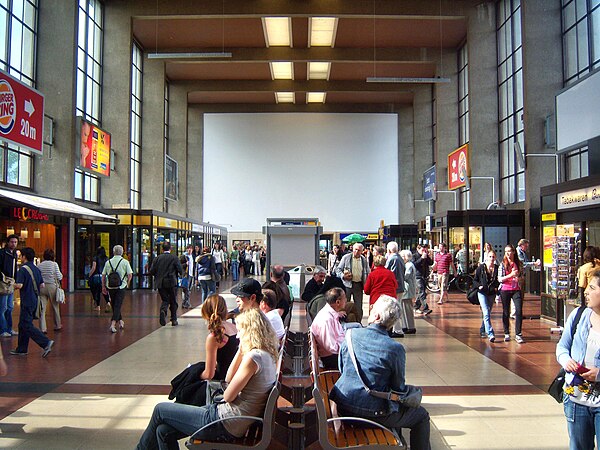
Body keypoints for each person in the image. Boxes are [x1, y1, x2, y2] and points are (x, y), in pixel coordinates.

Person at [136, 307, 279, 449]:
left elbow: (228, 396)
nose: (237, 336)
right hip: (231, 419)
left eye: (240, 330)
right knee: (163, 431)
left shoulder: (254, 358)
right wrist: (241, 350)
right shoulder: (266, 354)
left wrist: (243, 353)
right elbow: (228, 379)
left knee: (160, 409)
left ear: (250, 331)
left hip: (225, 423)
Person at [329, 295, 431, 449]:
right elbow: (398, 388)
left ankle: (397, 441)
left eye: (372, 309)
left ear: (376, 316)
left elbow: (342, 369)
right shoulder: (395, 348)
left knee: (394, 404)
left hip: (344, 405)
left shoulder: (350, 335)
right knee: (421, 416)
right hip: (370, 413)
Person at [556, 269, 600, 450]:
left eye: (591, 287)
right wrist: (566, 360)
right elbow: (562, 347)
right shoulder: (578, 315)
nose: (586, 292)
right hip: (576, 401)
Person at [10, 248, 54, 357]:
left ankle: (45, 342)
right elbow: (42, 285)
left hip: (27, 300)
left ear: (24, 256)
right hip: (35, 299)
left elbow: (19, 285)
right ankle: (21, 349)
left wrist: (11, 285)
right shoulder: (36, 269)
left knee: (26, 324)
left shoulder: (23, 270)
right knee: (22, 324)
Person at [310, 287, 356, 370]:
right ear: (338, 302)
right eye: (344, 298)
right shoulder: (327, 319)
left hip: (335, 353)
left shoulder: (330, 313)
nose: (346, 300)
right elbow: (331, 348)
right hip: (332, 358)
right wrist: (349, 347)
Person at [150, 242, 184, 327]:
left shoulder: (157, 258)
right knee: (173, 300)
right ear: (170, 249)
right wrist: (181, 274)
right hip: (171, 282)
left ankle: (163, 310)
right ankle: (174, 319)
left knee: (165, 299)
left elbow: (152, 271)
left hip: (160, 283)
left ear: (162, 249)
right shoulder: (174, 258)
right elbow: (180, 269)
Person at [102, 245, 133, 333]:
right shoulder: (125, 262)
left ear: (113, 252)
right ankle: (113, 324)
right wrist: (127, 283)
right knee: (117, 304)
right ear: (122, 252)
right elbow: (130, 274)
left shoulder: (108, 262)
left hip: (110, 286)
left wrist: (103, 286)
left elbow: (103, 275)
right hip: (121, 286)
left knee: (114, 303)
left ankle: (121, 321)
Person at [498, 244, 524, 343]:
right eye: (506, 251)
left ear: (513, 252)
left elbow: (522, 276)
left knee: (519, 310)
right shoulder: (502, 264)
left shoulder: (518, 263)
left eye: (509, 251)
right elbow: (500, 279)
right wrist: (511, 275)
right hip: (505, 289)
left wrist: (519, 278)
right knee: (505, 311)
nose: (508, 253)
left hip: (516, 289)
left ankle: (518, 334)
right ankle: (506, 333)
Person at [473, 250, 499, 342]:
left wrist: (496, 288)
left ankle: (482, 328)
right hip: (482, 293)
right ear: (487, 257)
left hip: (491, 293)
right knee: (486, 312)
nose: (491, 259)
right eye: (490, 257)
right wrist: (479, 286)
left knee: (487, 312)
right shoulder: (481, 268)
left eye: (493, 257)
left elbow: (498, 281)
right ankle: (491, 333)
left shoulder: (497, 268)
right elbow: (475, 280)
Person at [336, 243, 370, 309]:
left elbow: (368, 272)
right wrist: (343, 276)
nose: (357, 252)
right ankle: (344, 319)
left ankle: (357, 318)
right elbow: (338, 269)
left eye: (359, 250)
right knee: (345, 304)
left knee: (358, 306)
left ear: (362, 251)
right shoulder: (346, 257)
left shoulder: (364, 260)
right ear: (352, 249)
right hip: (347, 285)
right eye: (355, 249)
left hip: (358, 285)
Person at [37, 249, 64, 333]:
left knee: (42, 308)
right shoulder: (54, 264)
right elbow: (59, 276)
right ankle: (57, 325)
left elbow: (37, 276)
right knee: (55, 307)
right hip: (52, 286)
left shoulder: (39, 265)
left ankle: (43, 328)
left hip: (42, 287)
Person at [385, 241, 407, 337]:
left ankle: (397, 330)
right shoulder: (400, 258)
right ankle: (397, 328)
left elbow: (388, 272)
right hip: (400, 285)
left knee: (394, 308)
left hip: (395, 287)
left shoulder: (392, 259)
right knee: (397, 306)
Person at [0, 234, 19, 338]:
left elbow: (15, 268)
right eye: (12, 242)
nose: (14, 244)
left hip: (11, 282)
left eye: (15, 242)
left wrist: (15, 280)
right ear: (8, 242)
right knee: (3, 307)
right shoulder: (2, 253)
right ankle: (3, 330)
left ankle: (9, 329)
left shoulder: (14, 254)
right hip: (4, 283)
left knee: (10, 307)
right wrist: (3, 278)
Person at [399, 249, 417, 334]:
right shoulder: (406, 264)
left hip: (408, 289)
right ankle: (405, 326)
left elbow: (406, 276)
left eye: (403, 256)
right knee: (404, 309)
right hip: (406, 289)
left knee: (408, 309)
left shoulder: (409, 265)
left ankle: (411, 326)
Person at [88, 246, 111, 313]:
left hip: (96, 277)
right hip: (104, 276)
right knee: (104, 290)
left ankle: (98, 306)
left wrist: (89, 275)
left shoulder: (95, 258)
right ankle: (108, 302)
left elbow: (93, 267)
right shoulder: (106, 258)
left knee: (97, 291)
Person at [413, 244, 434, 315]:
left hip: (424, 276)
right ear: (418, 249)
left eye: (425, 250)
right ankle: (425, 308)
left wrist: (427, 256)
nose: (424, 251)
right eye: (422, 250)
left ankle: (416, 306)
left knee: (422, 292)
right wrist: (421, 258)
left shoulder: (426, 256)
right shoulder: (415, 256)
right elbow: (414, 264)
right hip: (418, 276)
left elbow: (431, 263)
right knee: (421, 292)